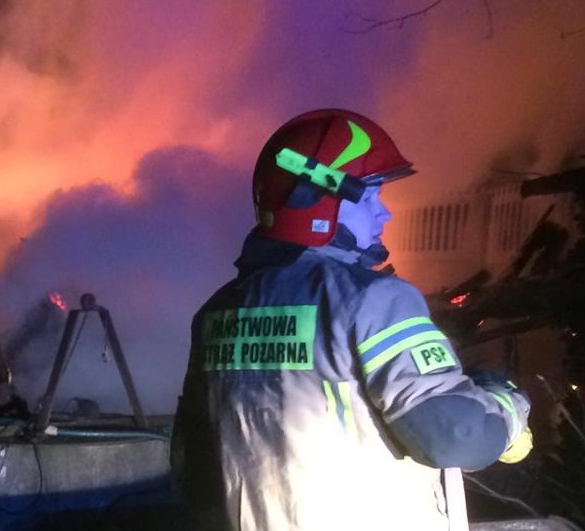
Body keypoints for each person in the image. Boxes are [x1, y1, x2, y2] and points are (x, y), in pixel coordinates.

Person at [174, 109, 532, 530]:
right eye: (369, 198)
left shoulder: (216, 313)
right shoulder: (374, 299)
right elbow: (455, 435)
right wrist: (509, 405)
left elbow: (193, 468)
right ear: (315, 200)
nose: (384, 215)